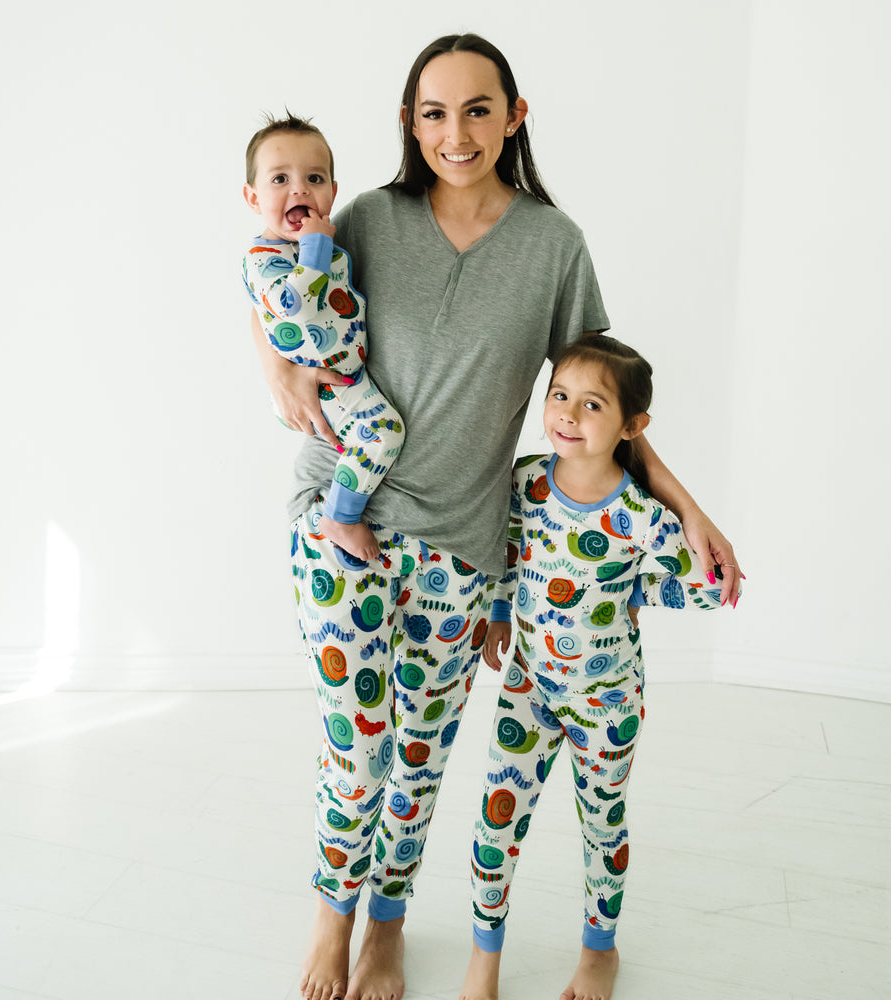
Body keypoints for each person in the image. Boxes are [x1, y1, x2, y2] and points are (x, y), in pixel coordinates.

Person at [247, 34, 743, 1000]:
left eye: (478, 110)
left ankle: (386, 926)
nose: (455, 132)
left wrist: (686, 508)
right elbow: (274, 273)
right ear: (408, 123)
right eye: (433, 113)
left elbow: (601, 401)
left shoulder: (554, 246)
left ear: (514, 117)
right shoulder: (368, 219)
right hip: (340, 513)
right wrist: (271, 362)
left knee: (421, 755)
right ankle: (331, 917)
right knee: (361, 742)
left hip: (463, 546)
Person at [462, 335, 739, 1000]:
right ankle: (483, 960)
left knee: (602, 822)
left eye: (591, 405)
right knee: (494, 822)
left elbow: (701, 587)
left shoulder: (641, 517)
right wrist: (500, 613)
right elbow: (507, 549)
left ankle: (598, 951)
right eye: (560, 396)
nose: (567, 413)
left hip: (606, 701)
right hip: (528, 687)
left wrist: (636, 589)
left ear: (632, 428)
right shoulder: (526, 480)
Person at [243, 114, 404, 561]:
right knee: (384, 434)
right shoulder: (262, 258)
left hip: (346, 375)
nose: (299, 189)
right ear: (253, 198)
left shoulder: (323, 243)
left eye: (314, 178)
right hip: (325, 384)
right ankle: (341, 516)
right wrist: (316, 249)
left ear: (333, 192)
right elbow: (291, 305)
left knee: (374, 435)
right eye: (280, 179)